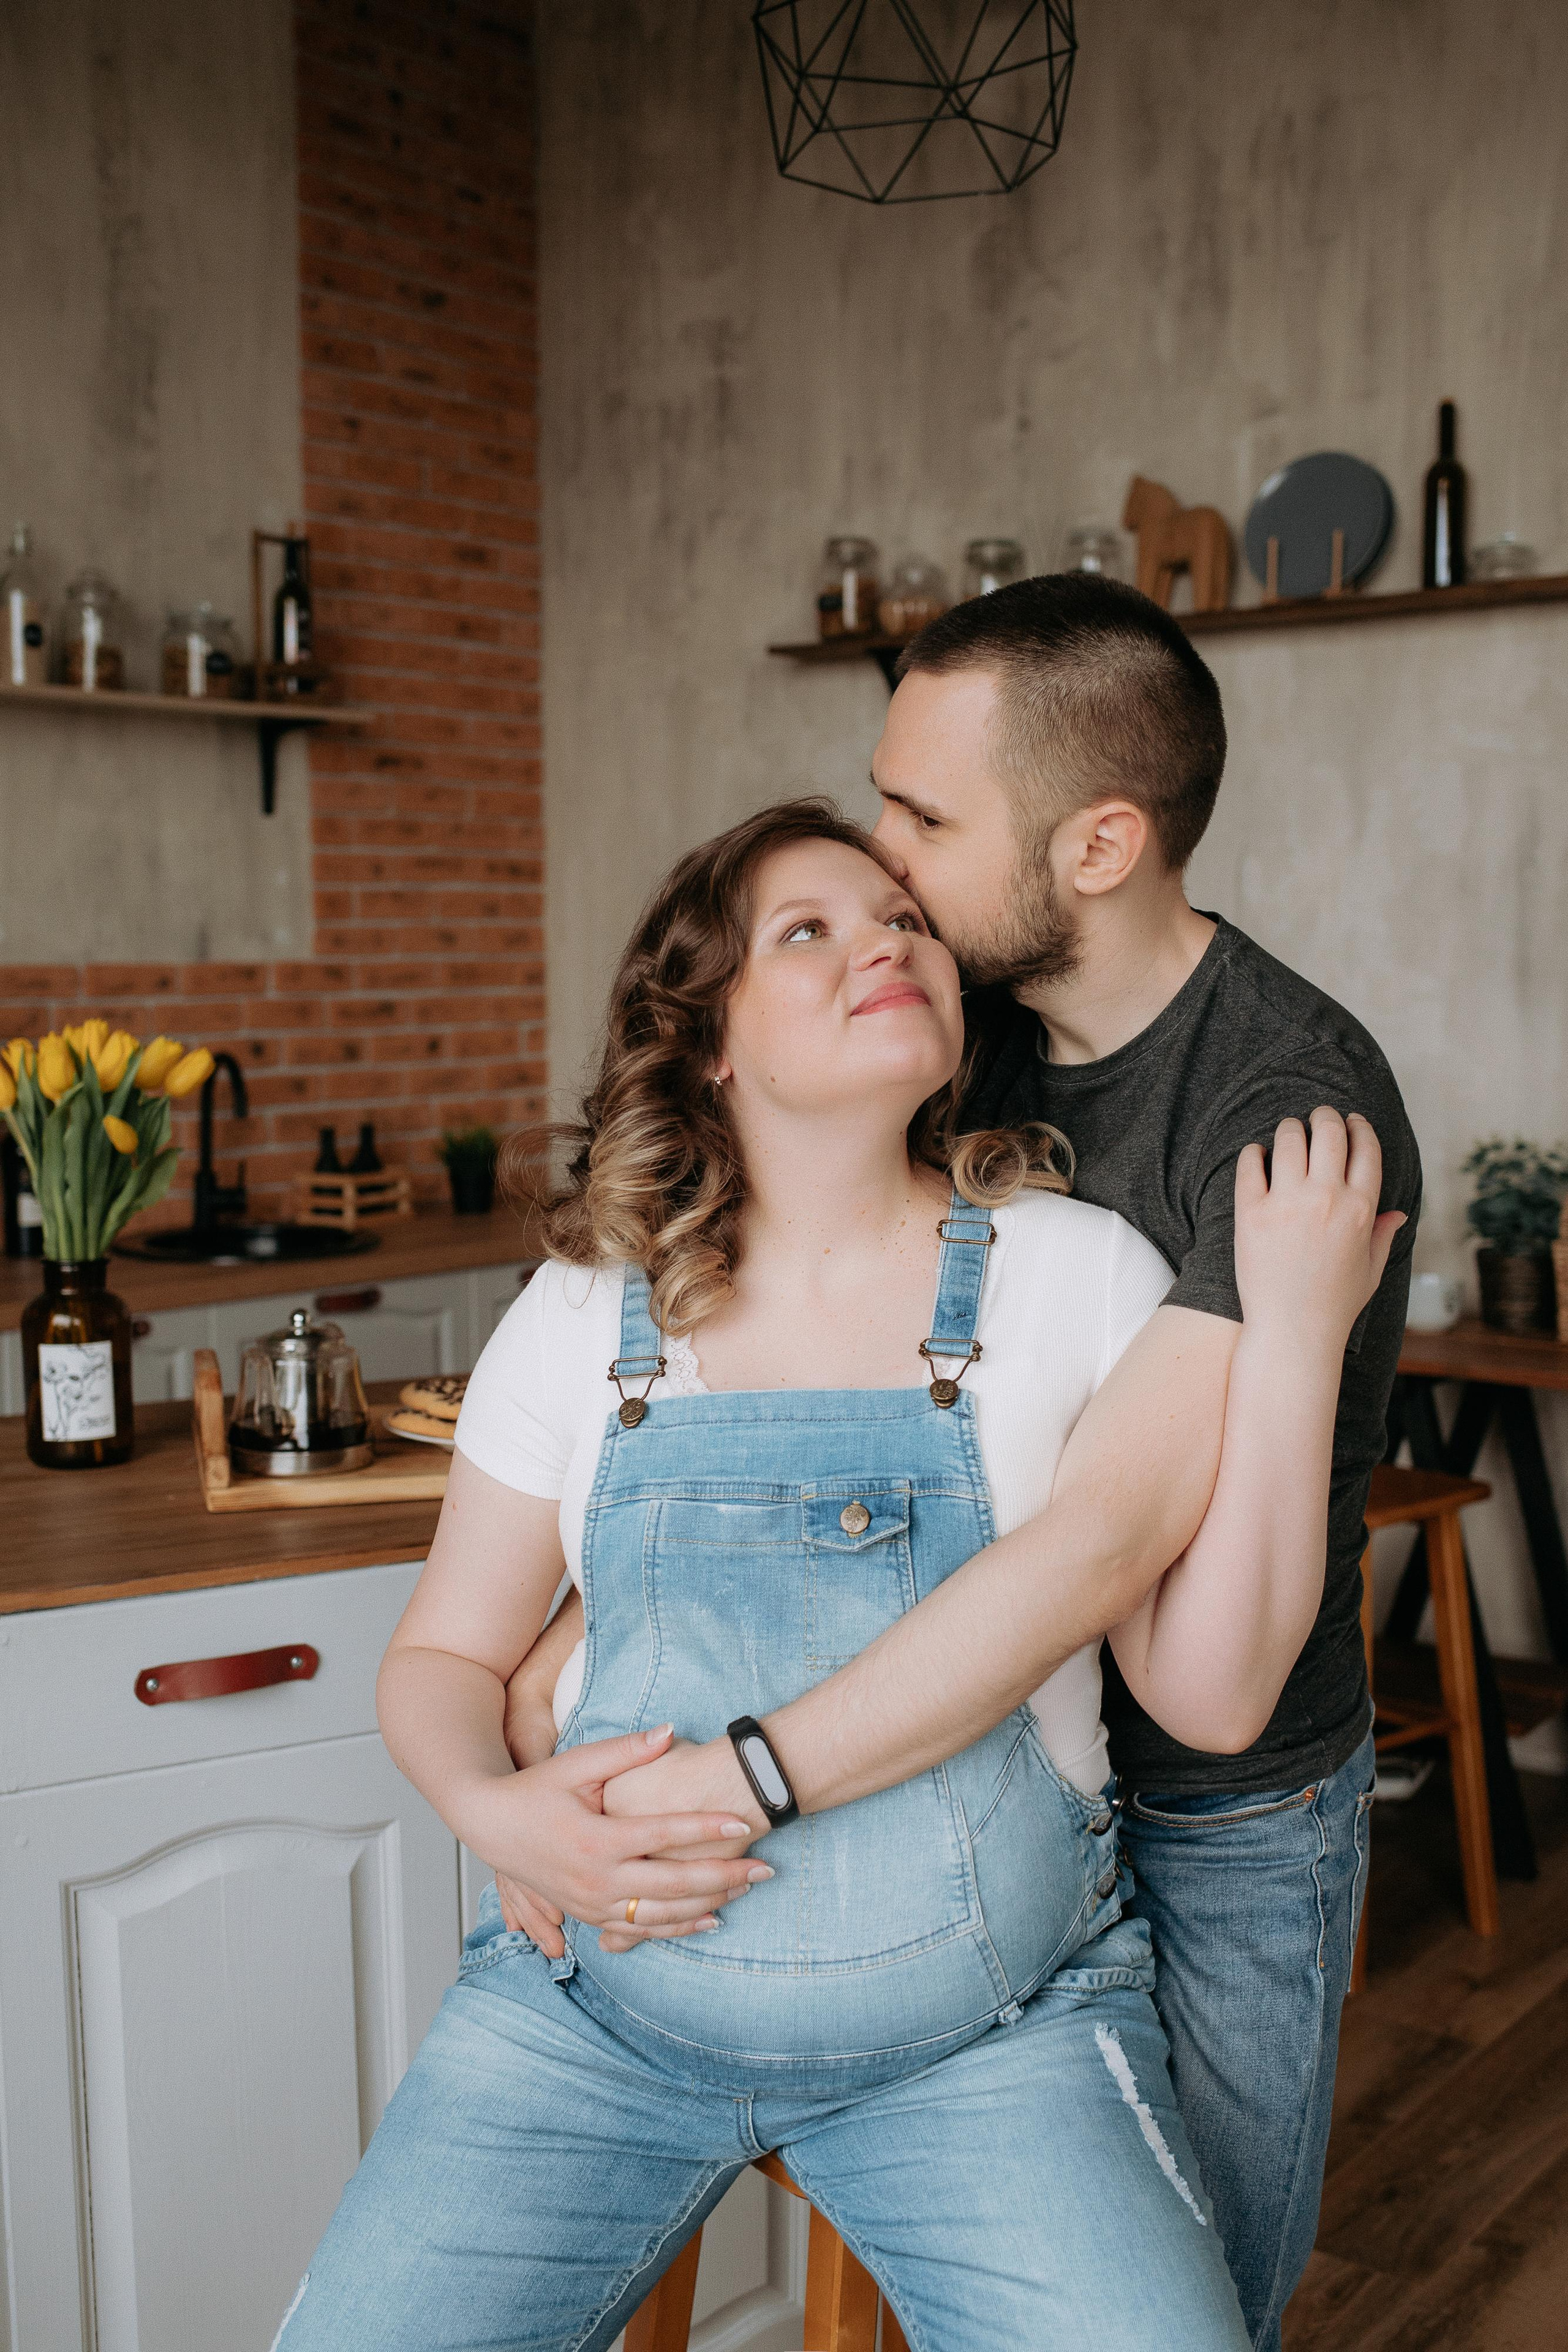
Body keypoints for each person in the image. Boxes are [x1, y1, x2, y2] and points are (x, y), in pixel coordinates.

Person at [272, 799, 1397, 2351]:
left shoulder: (1079, 1275)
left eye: (906, 921)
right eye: (809, 930)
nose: (888, 942)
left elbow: (1204, 1689)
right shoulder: (581, 1308)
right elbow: (443, 1661)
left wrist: (1295, 1335)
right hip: (592, 2018)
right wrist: (491, 1808)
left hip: (989, 2040)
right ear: (706, 1043)